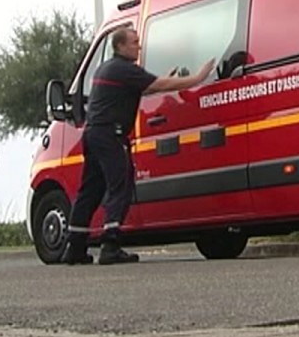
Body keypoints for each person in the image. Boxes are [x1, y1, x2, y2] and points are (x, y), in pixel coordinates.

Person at [61, 26, 215, 265]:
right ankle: (110, 244)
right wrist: (197, 78)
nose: (138, 46)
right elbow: (159, 86)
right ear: (120, 46)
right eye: (134, 42)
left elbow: (144, 86)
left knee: (90, 189)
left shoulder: (107, 68)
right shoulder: (124, 69)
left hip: (93, 134)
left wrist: (166, 76)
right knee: (120, 185)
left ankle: (75, 246)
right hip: (111, 135)